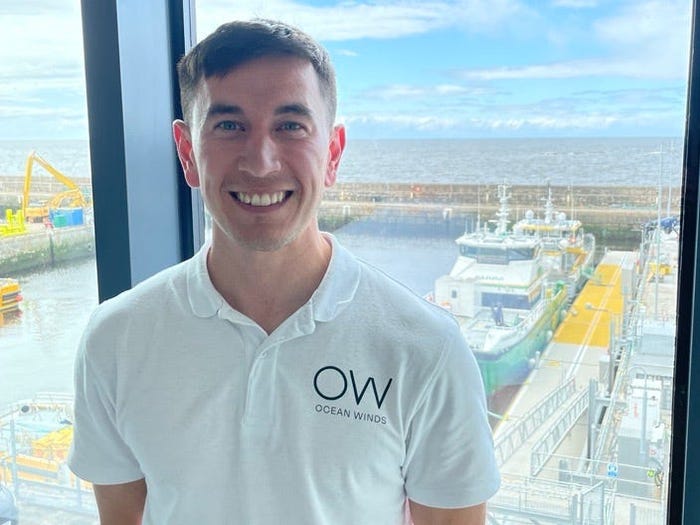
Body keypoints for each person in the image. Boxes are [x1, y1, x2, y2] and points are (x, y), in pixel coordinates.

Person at [68, 18, 500, 525]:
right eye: (229, 125)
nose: (260, 161)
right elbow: (122, 517)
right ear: (187, 153)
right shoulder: (116, 337)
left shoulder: (425, 347)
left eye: (290, 125)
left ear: (332, 153)